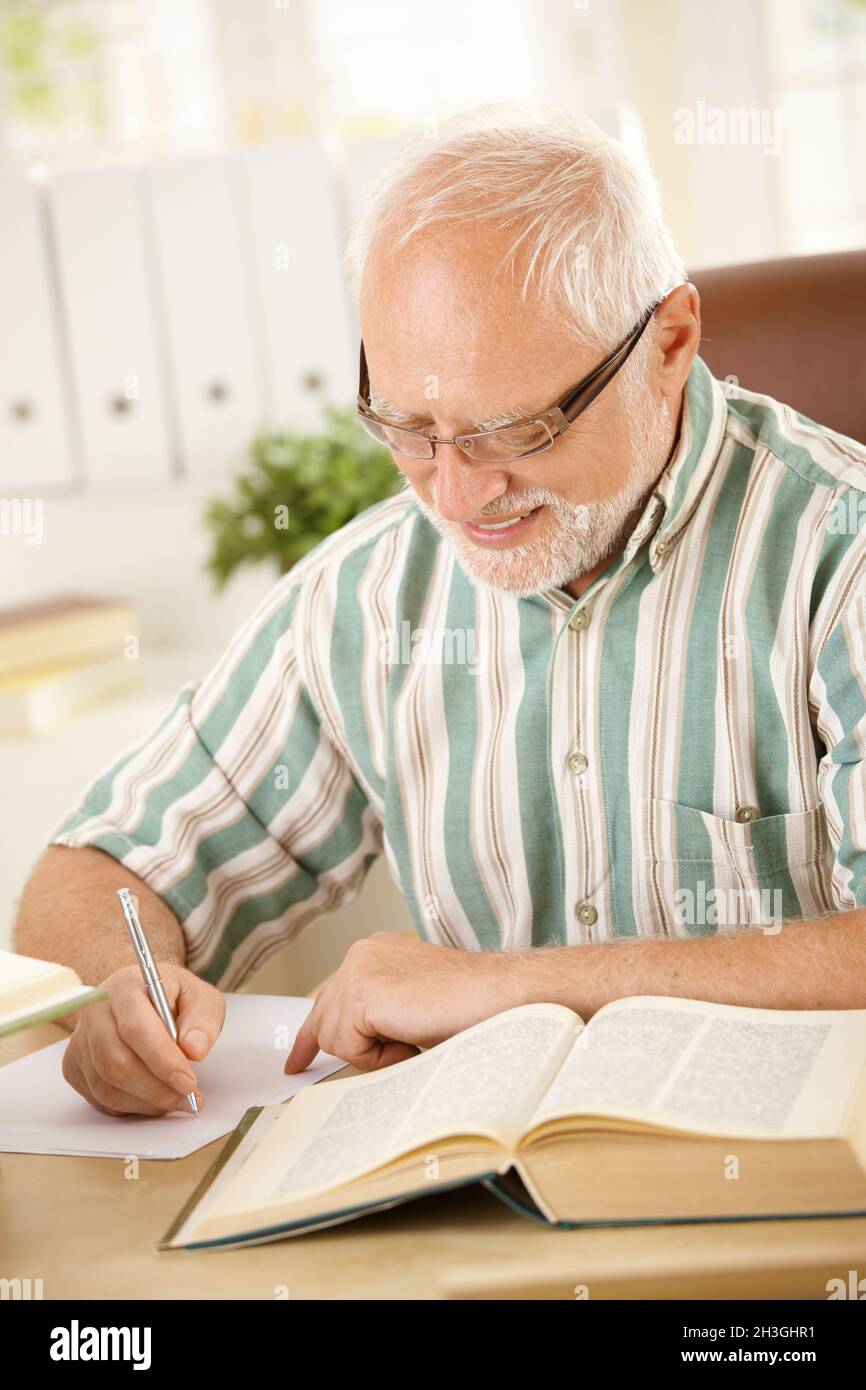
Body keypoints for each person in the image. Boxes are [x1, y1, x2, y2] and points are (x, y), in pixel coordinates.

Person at [15, 105, 866, 1119]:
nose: (456, 497)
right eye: (408, 429)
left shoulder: (837, 550)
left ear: (669, 343)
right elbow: (95, 870)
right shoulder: (368, 593)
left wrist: (507, 988)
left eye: (516, 431)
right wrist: (118, 990)